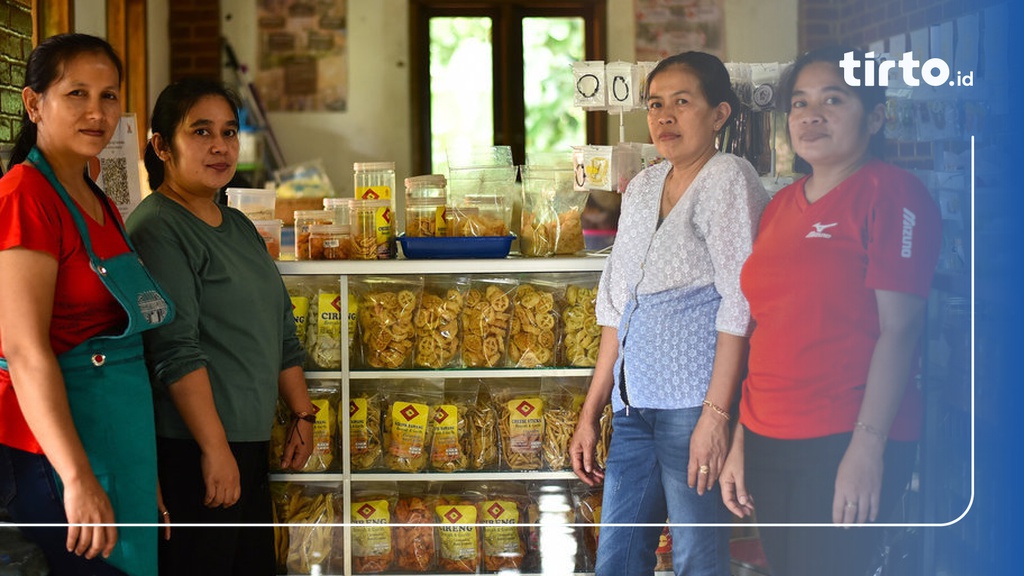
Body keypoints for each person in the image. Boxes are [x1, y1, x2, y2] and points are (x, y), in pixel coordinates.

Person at [719, 46, 942, 576]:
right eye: (800, 103)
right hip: (769, 437)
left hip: (846, 436)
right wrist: (741, 443)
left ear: (877, 116)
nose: (810, 115)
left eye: (833, 100)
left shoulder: (893, 195)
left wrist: (868, 452)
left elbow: (900, 331)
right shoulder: (779, 206)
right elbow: (768, 330)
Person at [569, 51, 769, 576]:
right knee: (617, 559)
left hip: (693, 407)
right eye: (656, 104)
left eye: (682, 102)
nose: (664, 117)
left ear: (719, 114)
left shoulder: (728, 177)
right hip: (633, 407)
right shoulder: (641, 188)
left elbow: (742, 304)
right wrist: (591, 414)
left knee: (698, 561)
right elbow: (619, 308)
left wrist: (716, 416)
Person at [125, 78, 315, 575]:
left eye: (229, 132)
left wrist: (302, 412)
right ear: (162, 146)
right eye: (201, 131)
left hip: (248, 445)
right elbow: (174, 350)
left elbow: (280, 328)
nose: (219, 146)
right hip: (193, 448)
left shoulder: (238, 225)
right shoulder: (158, 227)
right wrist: (215, 449)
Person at [0, 33, 174, 575]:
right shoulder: (24, 195)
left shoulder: (96, 195)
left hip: (119, 437)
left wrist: (145, 478)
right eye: (77, 94)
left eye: (109, 96)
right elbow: (25, 351)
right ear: (34, 104)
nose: (97, 113)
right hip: (58, 448)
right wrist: (76, 478)